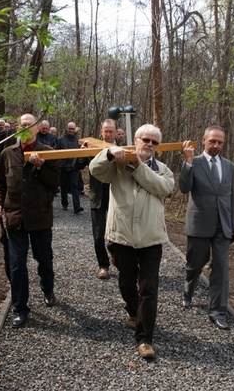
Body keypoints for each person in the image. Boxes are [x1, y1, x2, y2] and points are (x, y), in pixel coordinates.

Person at [89, 124, 174, 360]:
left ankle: (145, 338)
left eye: (154, 142)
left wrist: (137, 166)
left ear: (158, 147)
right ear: (135, 140)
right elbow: (95, 171)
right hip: (123, 236)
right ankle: (133, 311)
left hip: (151, 238)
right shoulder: (116, 166)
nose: (149, 144)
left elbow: (163, 189)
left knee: (149, 288)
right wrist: (108, 153)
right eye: (145, 139)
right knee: (126, 283)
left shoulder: (163, 170)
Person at [0, 114, 61, 328]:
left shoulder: (48, 153)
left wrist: (40, 167)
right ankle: (20, 308)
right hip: (15, 218)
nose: (25, 128)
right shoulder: (7, 153)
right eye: (22, 125)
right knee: (16, 265)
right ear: (17, 128)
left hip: (40, 217)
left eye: (29, 125)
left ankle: (47, 289)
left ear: (37, 128)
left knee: (44, 260)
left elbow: (56, 184)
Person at [179, 125, 234, 331]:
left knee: (220, 268)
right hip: (200, 223)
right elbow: (184, 188)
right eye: (212, 141)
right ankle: (188, 288)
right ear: (204, 140)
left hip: (223, 224)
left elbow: (231, 198)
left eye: (220, 142)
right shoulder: (193, 162)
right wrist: (187, 162)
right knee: (196, 263)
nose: (216, 145)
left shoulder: (230, 167)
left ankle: (217, 311)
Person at [75, 119, 117, 280]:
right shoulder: (92, 146)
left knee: (117, 232)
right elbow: (76, 166)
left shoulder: (122, 147)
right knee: (99, 233)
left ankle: (114, 250)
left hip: (117, 194)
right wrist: (81, 152)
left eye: (111, 131)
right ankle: (103, 265)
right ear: (101, 132)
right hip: (97, 195)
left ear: (115, 132)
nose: (108, 134)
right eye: (105, 131)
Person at [57, 122, 83, 213]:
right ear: (66, 128)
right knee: (64, 186)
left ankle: (77, 206)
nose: (71, 130)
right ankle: (64, 203)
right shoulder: (60, 140)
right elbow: (57, 153)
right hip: (63, 166)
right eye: (70, 129)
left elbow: (81, 153)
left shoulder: (78, 140)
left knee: (74, 185)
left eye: (73, 129)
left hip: (74, 167)